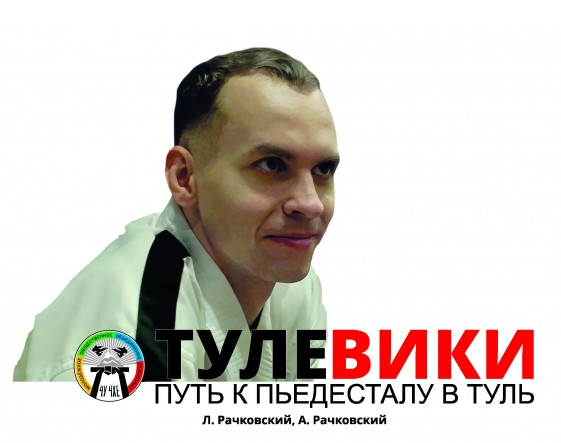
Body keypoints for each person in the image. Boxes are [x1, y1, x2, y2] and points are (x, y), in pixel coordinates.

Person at [14, 47, 339, 382]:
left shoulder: (291, 287)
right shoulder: (131, 327)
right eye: (271, 165)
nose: (311, 204)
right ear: (184, 177)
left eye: (323, 169)